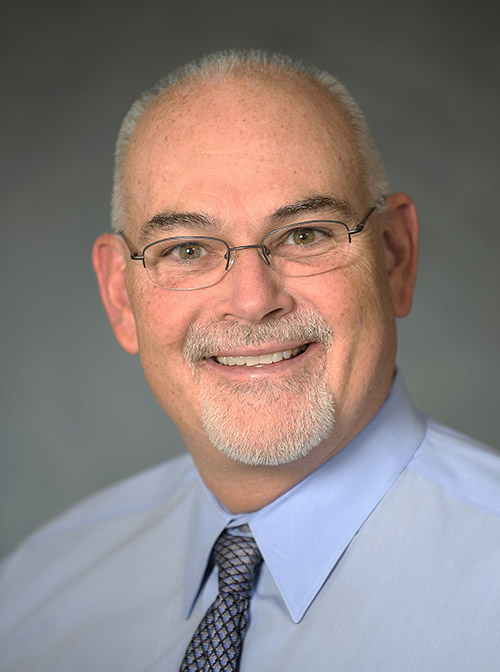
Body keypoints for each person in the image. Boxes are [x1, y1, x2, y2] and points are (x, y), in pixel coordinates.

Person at [1, 51, 499, 672]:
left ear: (395, 256)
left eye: (306, 234)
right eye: (186, 249)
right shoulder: (34, 595)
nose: (253, 301)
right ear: (118, 296)